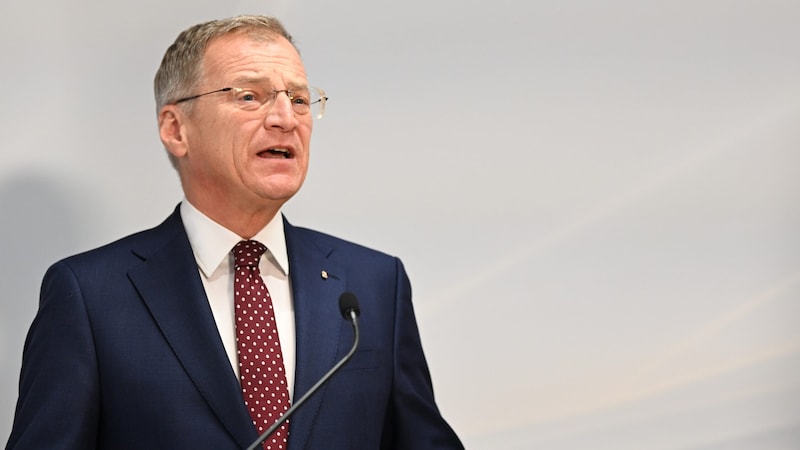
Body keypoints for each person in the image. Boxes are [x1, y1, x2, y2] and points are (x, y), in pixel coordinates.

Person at [6, 15, 464, 450]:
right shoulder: (90, 295)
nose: (286, 118)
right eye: (250, 96)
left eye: (300, 99)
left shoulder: (373, 285)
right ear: (176, 129)